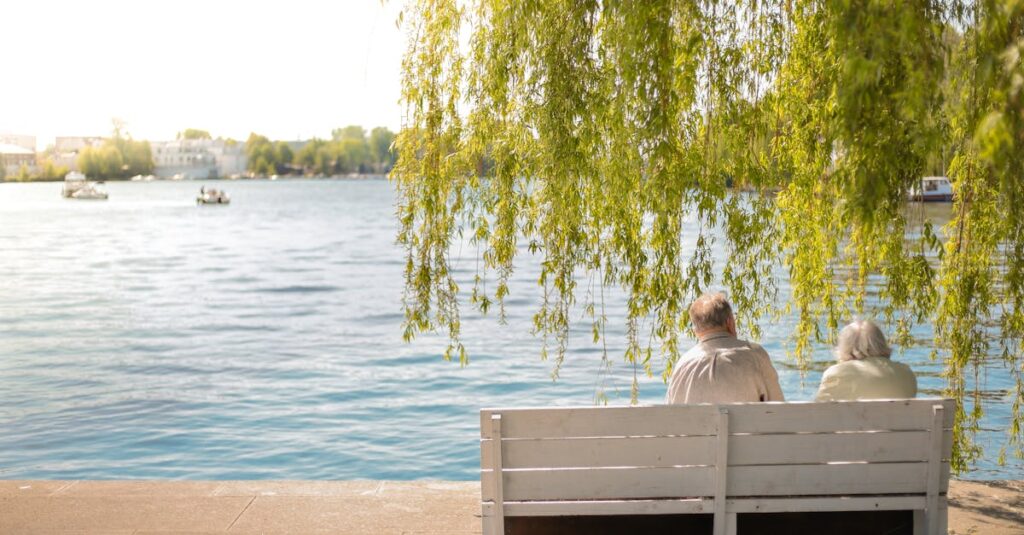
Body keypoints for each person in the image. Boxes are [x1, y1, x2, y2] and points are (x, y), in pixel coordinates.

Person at [666, 292, 784, 404]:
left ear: (696, 331)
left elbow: (671, 415)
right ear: (730, 322)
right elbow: (779, 408)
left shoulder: (683, 364)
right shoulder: (755, 355)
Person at [815, 320, 916, 401]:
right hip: (901, 426)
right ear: (881, 344)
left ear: (846, 347)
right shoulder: (906, 373)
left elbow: (817, 414)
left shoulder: (836, 374)